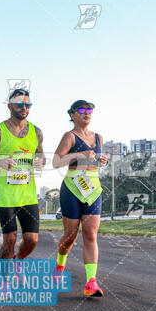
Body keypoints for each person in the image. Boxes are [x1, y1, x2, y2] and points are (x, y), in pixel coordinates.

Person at [0, 88, 45, 261]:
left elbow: (40, 155)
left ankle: (18, 261)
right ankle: (5, 284)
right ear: (9, 106)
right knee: (10, 238)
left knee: (32, 240)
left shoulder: (36, 132)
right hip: (6, 195)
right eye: (20, 104)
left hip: (28, 195)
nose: (24, 108)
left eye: (28, 104)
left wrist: (40, 161)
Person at [52, 100, 108, 297]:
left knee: (90, 234)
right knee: (70, 236)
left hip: (92, 187)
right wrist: (80, 154)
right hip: (73, 186)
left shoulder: (99, 137)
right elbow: (56, 161)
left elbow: (96, 161)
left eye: (90, 110)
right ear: (73, 114)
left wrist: (102, 160)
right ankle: (59, 268)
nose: (87, 113)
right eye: (83, 110)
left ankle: (91, 283)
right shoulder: (70, 136)